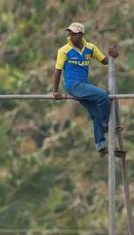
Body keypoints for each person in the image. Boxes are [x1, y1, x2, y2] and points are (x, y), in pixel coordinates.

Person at [53, 22, 119, 155]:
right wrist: (55, 91)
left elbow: (104, 61)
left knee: (95, 114)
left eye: (74, 34)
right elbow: (58, 71)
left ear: (81, 34)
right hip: (73, 85)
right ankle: (107, 125)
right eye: (70, 34)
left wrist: (113, 56)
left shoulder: (90, 48)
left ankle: (101, 147)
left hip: (84, 85)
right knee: (103, 95)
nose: (71, 37)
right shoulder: (64, 50)